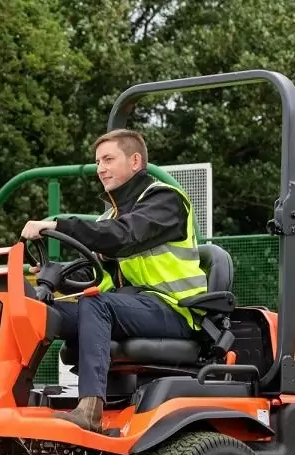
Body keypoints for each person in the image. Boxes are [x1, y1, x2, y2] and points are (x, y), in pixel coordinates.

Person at [20, 129, 207, 432]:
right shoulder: (109, 218)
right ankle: (13, 398)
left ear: (135, 161)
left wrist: (58, 225)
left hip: (176, 310)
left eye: (108, 159)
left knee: (97, 305)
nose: (100, 169)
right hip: (134, 307)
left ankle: (89, 411)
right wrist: (52, 275)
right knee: (40, 309)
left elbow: (126, 236)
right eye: (97, 162)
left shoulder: (166, 200)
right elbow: (98, 273)